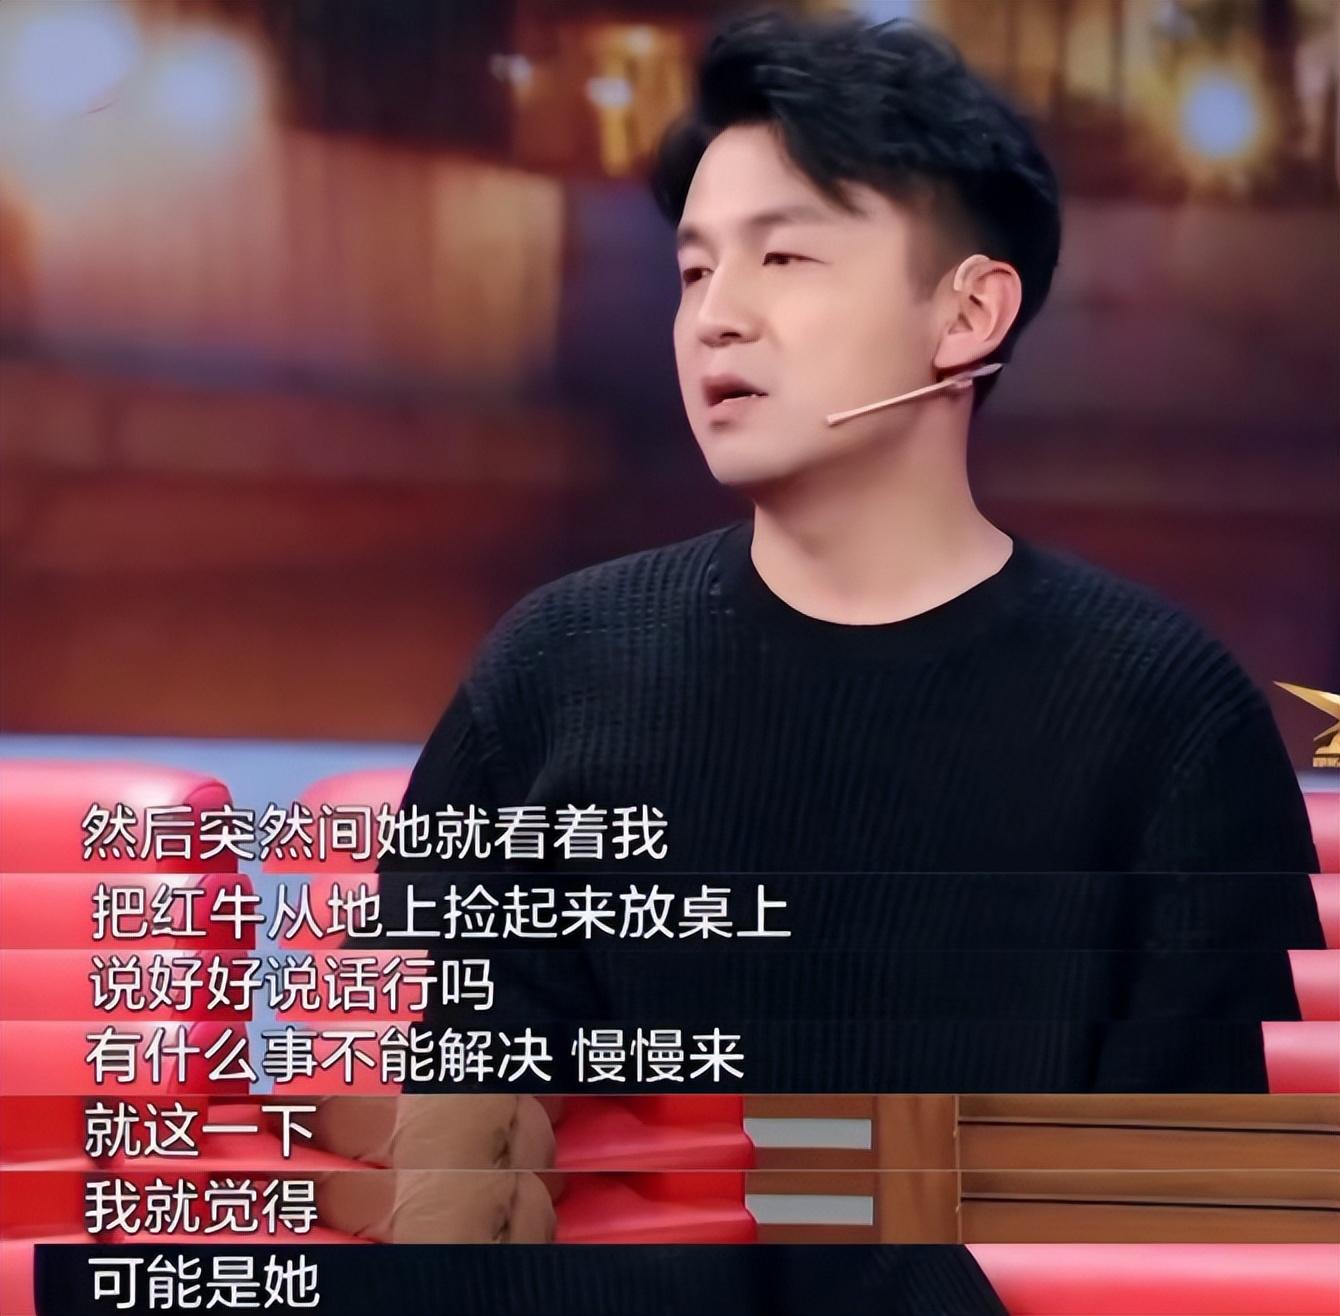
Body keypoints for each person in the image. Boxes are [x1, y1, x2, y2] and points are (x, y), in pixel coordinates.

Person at [367, 11, 1322, 1313]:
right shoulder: (550, 676)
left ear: (967, 312)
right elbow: (452, 1176)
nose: (717, 319)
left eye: (786, 257)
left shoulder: (1166, 715)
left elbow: (1205, 1226)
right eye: (694, 271)